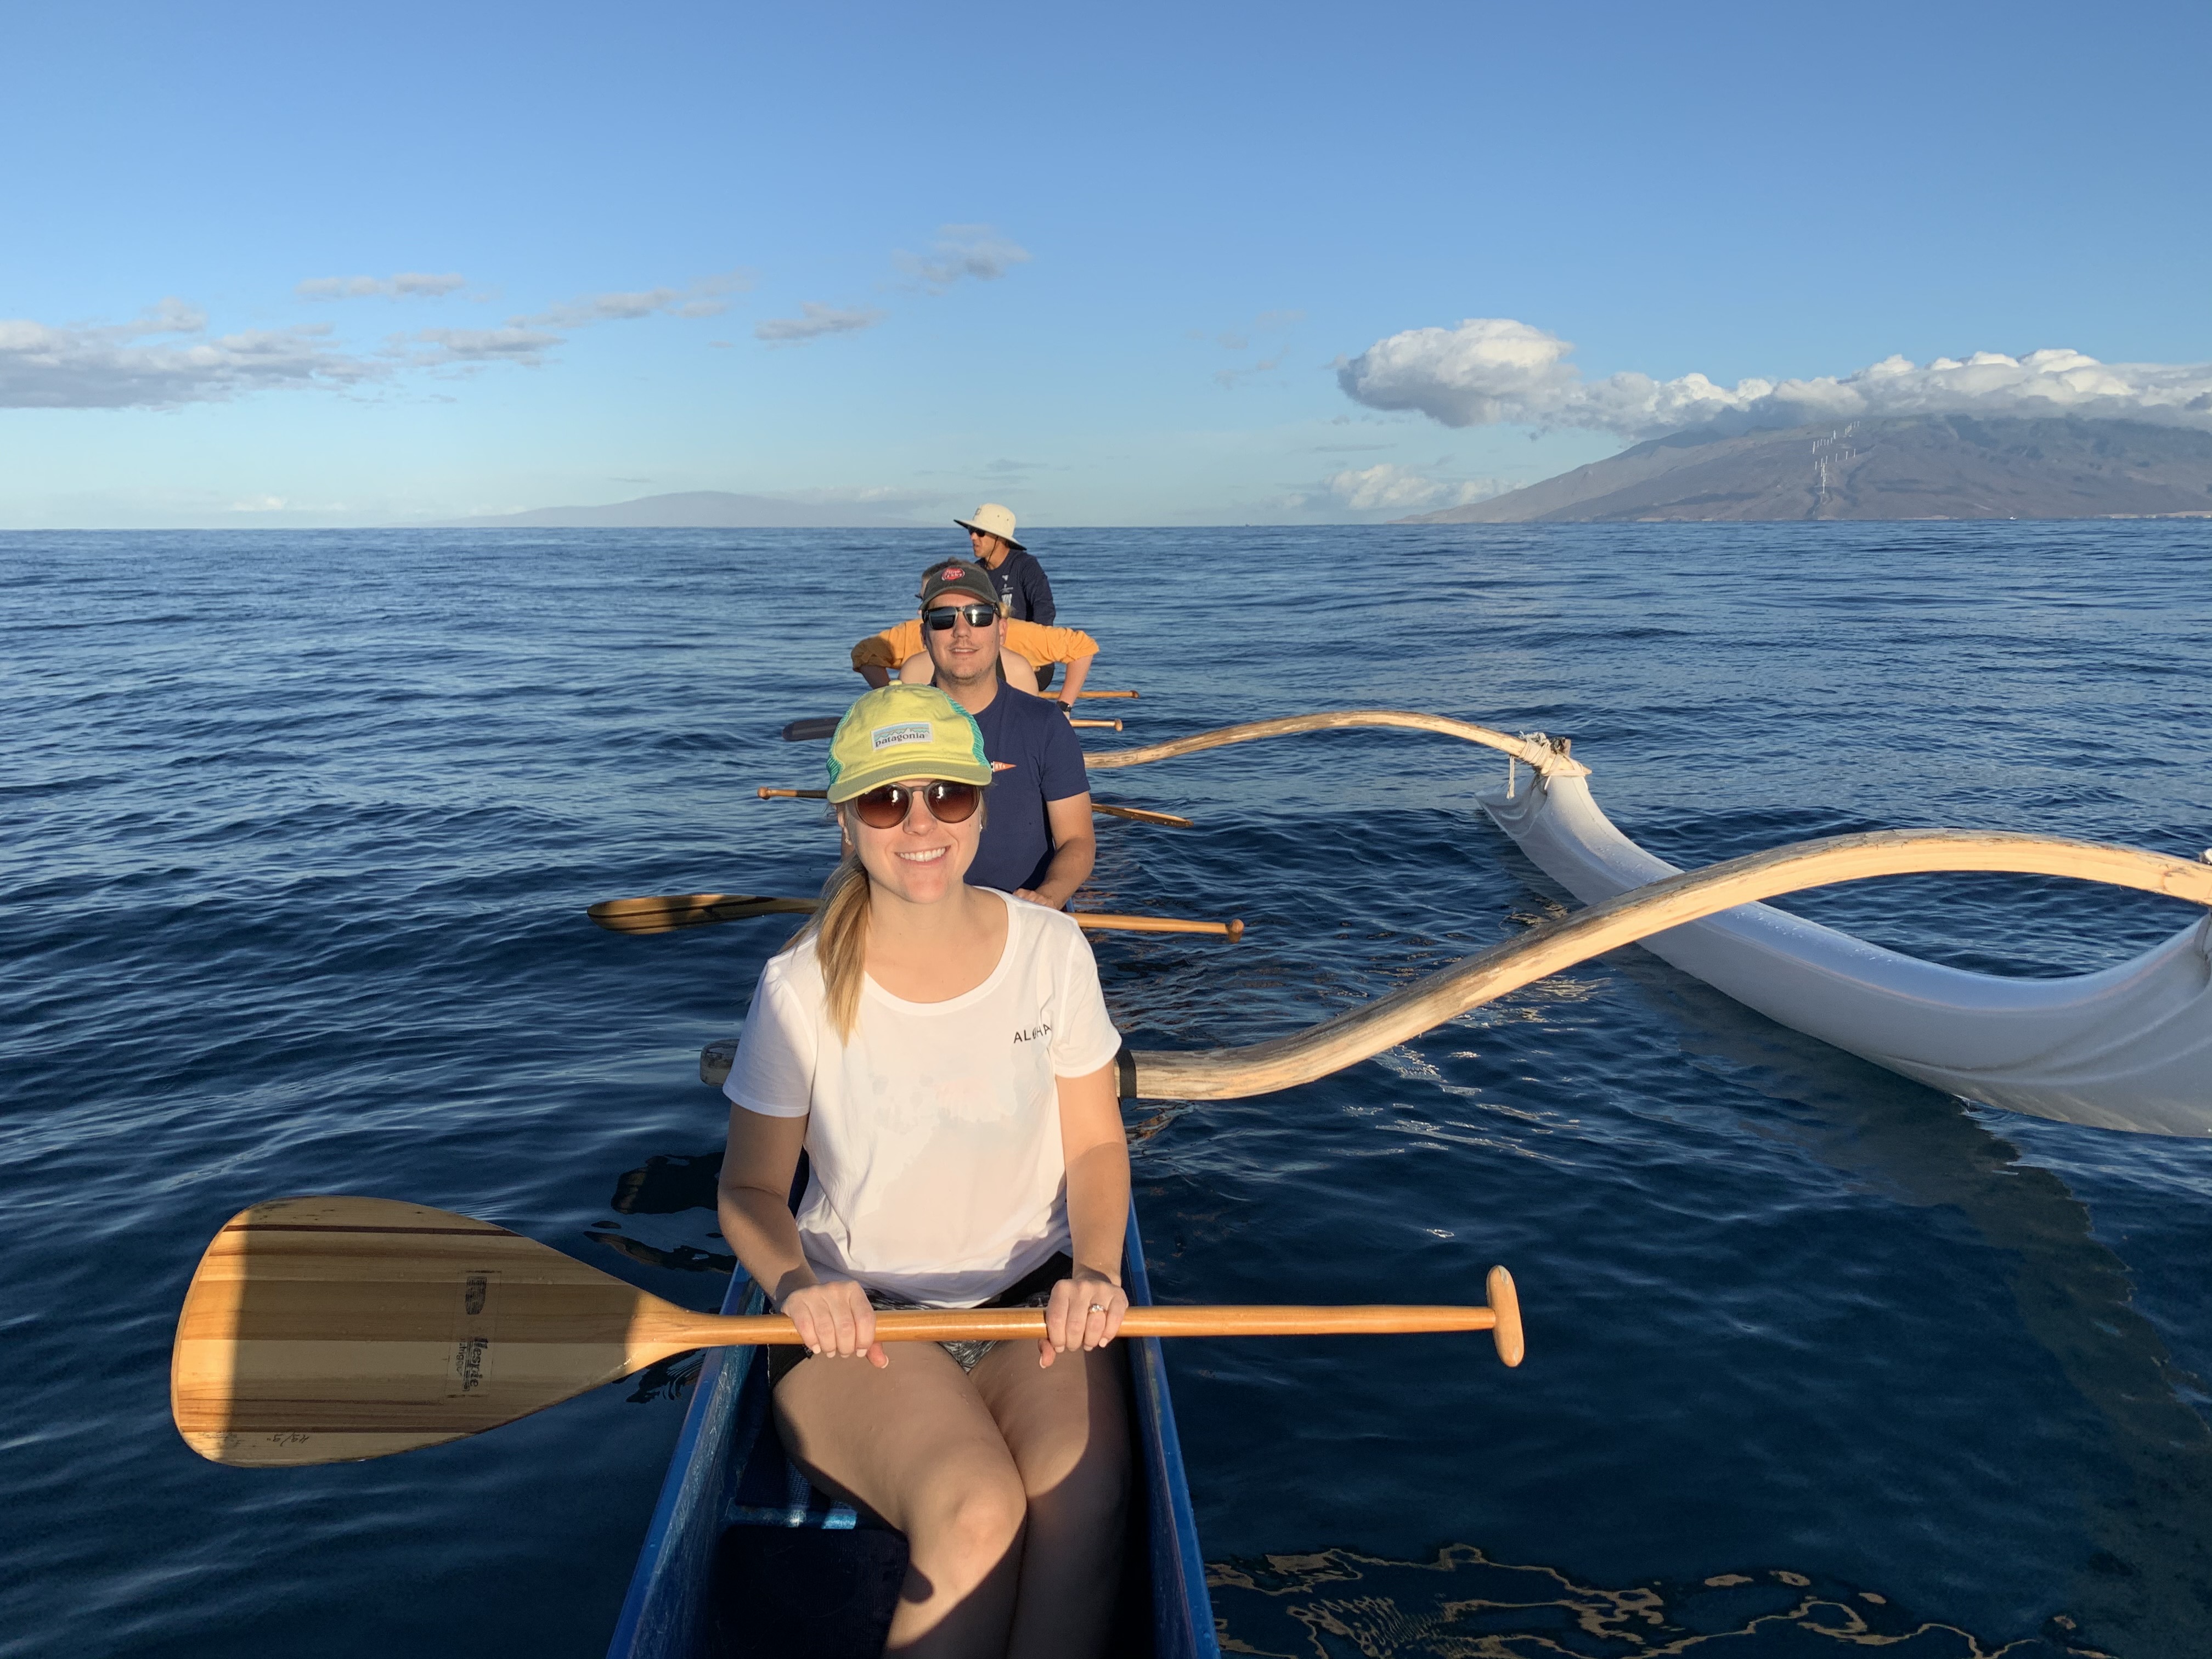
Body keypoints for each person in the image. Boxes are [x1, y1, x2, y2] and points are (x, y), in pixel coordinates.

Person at [717, 683, 1132, 1657]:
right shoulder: (799, 985)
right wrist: (798, 1282)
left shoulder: (1051, 948)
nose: (918, 824)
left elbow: (1096, 1146)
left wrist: (1099, 1269)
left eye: (944, 795)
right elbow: (745, 1191)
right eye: (883, 800)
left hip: (1030, 1302)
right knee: (977, 1506)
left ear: (982, 803)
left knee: (1082, 1501)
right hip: (861, 1320)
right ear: (845, 819)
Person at [894, 559, 1095, 908]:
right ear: (924, 635)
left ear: (1001, 629)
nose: (961, 631)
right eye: (943, 619)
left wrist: (1047, 898)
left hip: (1025, 918)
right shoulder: (895, 728)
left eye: (978, 616)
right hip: (927, 922)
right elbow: (861, 842)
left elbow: (1077, 839)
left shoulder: (1046, 724)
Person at [956, 504, 1062, 693]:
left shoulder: (1026, 566)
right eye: (971, 531)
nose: (973, 537)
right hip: (987, 658)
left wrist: (1035, 655)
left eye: (980, 532)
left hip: (1031, 661)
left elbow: (1045, 610)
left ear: (999, 538)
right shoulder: (974, 573)